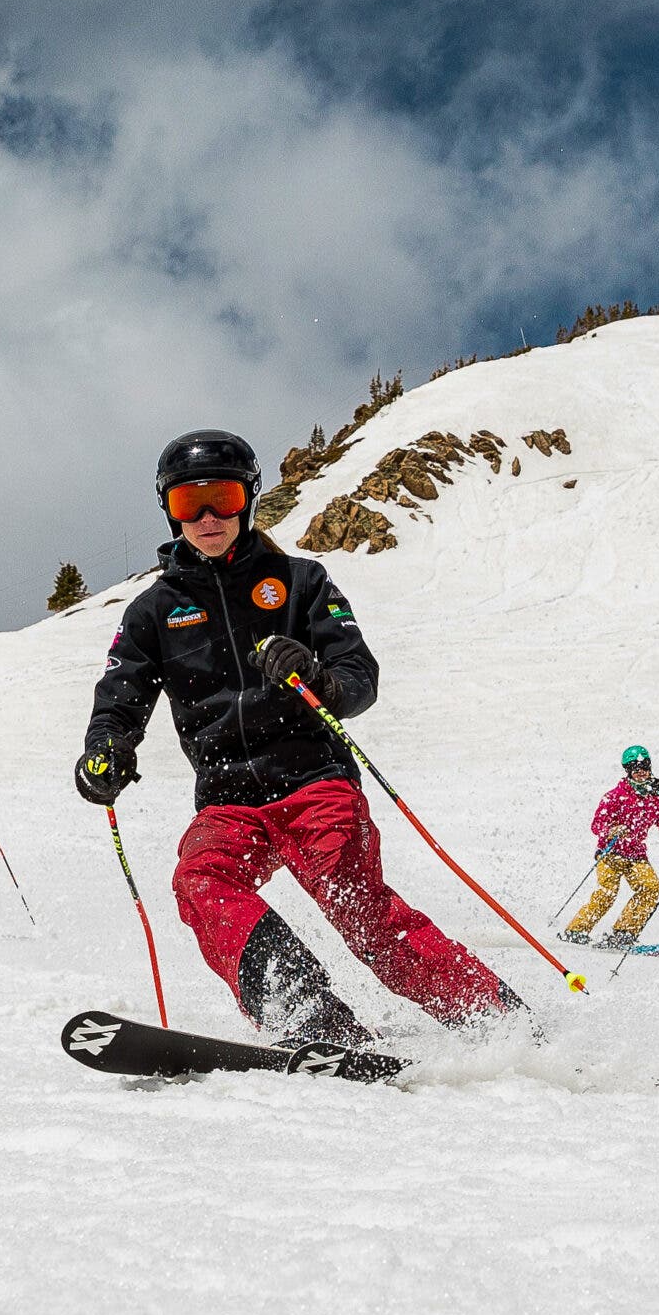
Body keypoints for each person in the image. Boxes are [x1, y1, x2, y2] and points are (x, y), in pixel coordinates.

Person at [74, 429, 520, 1043]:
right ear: (169, 511)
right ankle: (305, 1010)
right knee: (201, 878)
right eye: (188, 504)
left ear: (248, 500)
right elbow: (119, 698)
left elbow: (359, 677)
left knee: (354, 901)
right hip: (228, 798)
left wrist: (316, 675)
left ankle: (490, 1013)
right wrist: (107, 750)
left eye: (223, 498)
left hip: (315, 782)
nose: (207, 517)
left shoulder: (301, 581)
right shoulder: (152, 611)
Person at [562, 746, 659, 947]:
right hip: (610, 854)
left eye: (644, 766)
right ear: (628, 771)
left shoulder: (655, 796)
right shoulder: (615, 796)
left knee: (650, 888)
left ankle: (624, 932)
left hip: (636, 855)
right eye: (635, 768)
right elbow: (596, 825)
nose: (640, 771)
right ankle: (577, 930)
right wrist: (611, 830)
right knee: (606, 893)